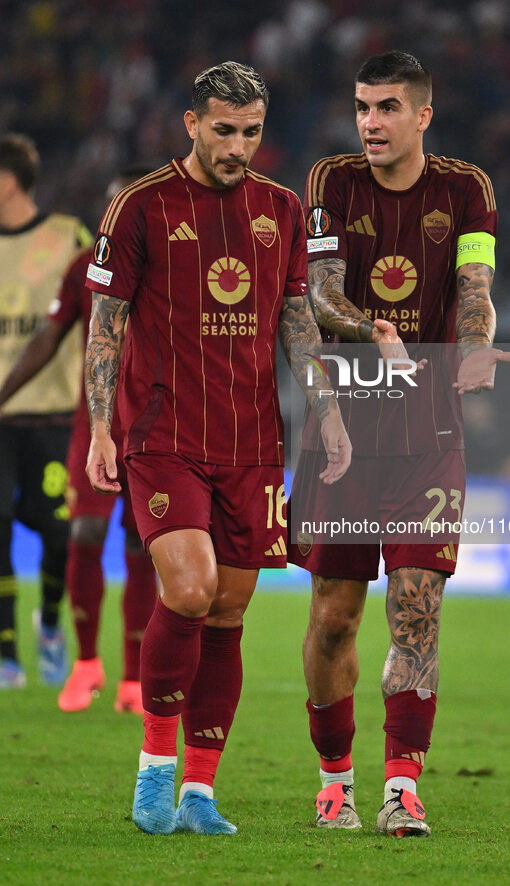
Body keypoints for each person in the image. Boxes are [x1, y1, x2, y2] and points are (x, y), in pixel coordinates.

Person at [84, 61, 351, 836]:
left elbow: (296, 321)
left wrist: (325, 412)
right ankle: (154, 773)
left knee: (229, 613)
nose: (239, 146)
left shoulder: (281, 209)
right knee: (191, 589)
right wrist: (102, 426)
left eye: (252, 132)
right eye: (225, 130)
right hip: (163, 433)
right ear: (192, 124)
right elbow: (108, 327)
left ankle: (199, 791)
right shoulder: (141, 205)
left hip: (251, 440)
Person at [287, 50, 510, 837]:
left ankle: (400, 787)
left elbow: (473, 287)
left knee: (415, 609)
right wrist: (371, 330)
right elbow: (320, 295)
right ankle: (333, 781)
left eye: (386, 108)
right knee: (335, 619)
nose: (369, 123)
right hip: (343, 427)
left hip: (427, 432)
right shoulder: (330, 182)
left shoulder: (466, 190)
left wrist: (479, 345)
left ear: (422, 114)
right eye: (361, 107)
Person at [0, 166, 159, 713]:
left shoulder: (174, 265)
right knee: (85, 531)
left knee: (142, 544)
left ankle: (134, 680)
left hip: (154, 424)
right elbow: (49, 336)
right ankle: (86, 664)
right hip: (92, 424)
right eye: (114, 209)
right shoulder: (83, 267)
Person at [0, 133, 93, 689]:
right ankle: (8, 653)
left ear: (9, 180)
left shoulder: (68, 237)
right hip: (0, 422)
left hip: (57, 417)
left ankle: (51, 624)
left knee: (60, 535)